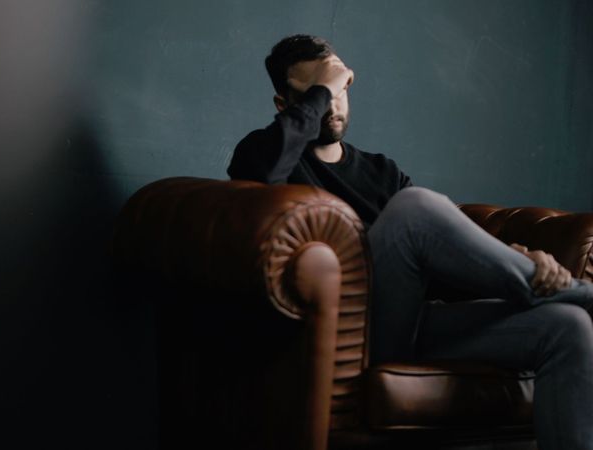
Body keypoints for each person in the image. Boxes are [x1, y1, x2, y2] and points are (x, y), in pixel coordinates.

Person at [227, 34, 593, 450]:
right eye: (316, 91)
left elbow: (439, 262)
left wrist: (512, 258)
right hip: (352, 336)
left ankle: (562, 295)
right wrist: (324, 88)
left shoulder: (382, 171)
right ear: (285, 105)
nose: (331, 103)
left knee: (568, 327)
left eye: (338, 87)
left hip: (413, 324)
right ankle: (579, 293)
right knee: (414, 207)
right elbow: (258, 176)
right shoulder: (263, 155)